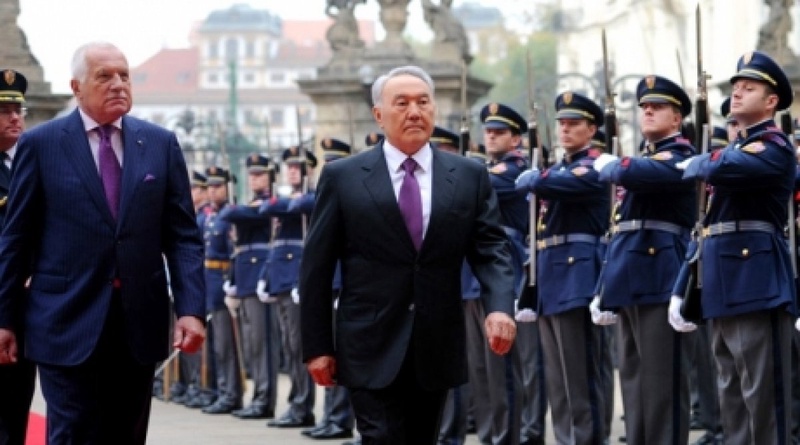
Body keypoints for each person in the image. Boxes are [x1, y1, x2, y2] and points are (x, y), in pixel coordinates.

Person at [299, 65, 517, 444]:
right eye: (401, 103)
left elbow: (491, 248)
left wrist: (499, 306)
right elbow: (317, 267)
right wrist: (317, 347)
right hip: (368, 342)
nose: (414, 111)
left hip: (435, 342)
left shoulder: (468, 175)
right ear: (379, 114)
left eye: (423, 102)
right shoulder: (344, 177)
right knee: (381, 436)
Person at [0, 41, 205, 444]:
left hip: (137, 324)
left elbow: (182, 237)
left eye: (124, 75)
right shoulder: (42, 145)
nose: (118, 84)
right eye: (104, 76)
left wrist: (191, 309)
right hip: (64, 320)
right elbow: (17, 238)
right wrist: (4, 318)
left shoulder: (160, 144)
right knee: (73, 433)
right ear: (77, 87)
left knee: (125, 435)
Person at [676, 50, 797, 445]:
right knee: (731, 391)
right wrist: (684, 286)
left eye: (750, 87)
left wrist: (701, 160)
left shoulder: (773, 146)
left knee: (763, 397)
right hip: (721, 279)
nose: (739, 92)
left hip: (754, 280)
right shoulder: (737, 149)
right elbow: (706, 226)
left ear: (772, 101)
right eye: (736, 88)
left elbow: (721, 167)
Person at [593, 74, 696, 445]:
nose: (648, 111)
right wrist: (604, 287)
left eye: (658, 107)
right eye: (644, 108)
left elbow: (629, 171)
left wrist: (613, 163)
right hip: (630, 275)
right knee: (635, 384)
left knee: (662, 388)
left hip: (661, 275)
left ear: (678, 117)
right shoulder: (646, 158)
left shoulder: (681, 156)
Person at [515, 91, 610, 445]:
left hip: (578, 276)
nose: (565, 130)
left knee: (580, 378)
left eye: (574, 124)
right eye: (562, 124)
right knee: (558, 380)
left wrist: (535, 177)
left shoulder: (594, 165)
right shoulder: (559, 167)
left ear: (592, 130)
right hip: (551, 275)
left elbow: (555, 185)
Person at [219, 154, 279, 420]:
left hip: (258, 280)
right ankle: (258, 396)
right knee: (252, 345)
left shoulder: (268, 205)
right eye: (251, 175)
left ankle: (265, 399)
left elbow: (232, 213)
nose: (254, 179)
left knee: (263, 344)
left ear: (270, 177)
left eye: (260, 174)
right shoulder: (252, 205)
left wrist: (234, 209)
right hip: (244, 281)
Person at [260, 147, 317, 428]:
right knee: (290, 346)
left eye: (298, 166)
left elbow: (299, 207)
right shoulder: (289, 199)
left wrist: (295, 200)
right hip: (282, 281)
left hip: (298, 279)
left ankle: (303, 405)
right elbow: (268, 208)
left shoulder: (313, 196)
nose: (293, 170)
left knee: (299, 346)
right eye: (290, 167)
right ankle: (297, 402)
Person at [0, 69, 34, 445]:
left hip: (25, 306)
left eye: (18, 109)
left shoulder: (32, 159)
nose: (15, 117)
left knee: (17, 405)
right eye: (5, 110)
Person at [199, 166, 245, 416]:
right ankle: (221, 390)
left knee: (228, 344)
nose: (213, 190)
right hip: (211, 283)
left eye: (218, 186)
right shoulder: (212, 217)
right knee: (217, 344)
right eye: (210, 186)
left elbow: (234, 251)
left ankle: (231, 394)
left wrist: (233, 282)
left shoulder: (231, 214)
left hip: (224, 279)